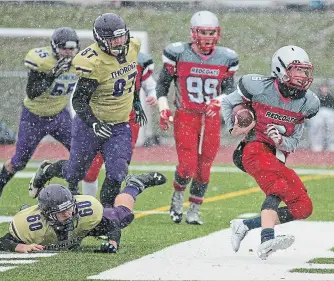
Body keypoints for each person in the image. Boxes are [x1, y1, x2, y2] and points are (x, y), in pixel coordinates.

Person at [28, 13, 147, 207]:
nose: (119, 42)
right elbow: (78, 101)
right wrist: (94, 123)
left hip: (119, 125)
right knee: (75, 172)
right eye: (113, 39)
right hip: (89, 125)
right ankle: (48, 171)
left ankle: (106, 215)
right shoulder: (92, 62)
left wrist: (136, 102)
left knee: (118, 172)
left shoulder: (133, 46)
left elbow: (130, 79)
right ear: (101, 40)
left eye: (121, 36)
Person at [221, 45, 320, 260]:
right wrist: (234, 127)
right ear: (281, 69)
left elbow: (293, 143)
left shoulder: (308, 102)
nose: (303, 76)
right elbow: (228, 102)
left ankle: (245, 225)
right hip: (253, 149)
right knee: (278, 186)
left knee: (304, 207)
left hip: (278, 155)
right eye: (298, 70)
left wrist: (281, 140)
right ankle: (267, 239)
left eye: (305, 71)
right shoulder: (258, 87)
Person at [156, 10, 239, 225]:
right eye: (203, 32)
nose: (208, 37)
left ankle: (194, 209)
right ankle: (177, 197)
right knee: (187, 166)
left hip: (211, 118)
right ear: (193, 33)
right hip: (186, 115)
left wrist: (218, 101)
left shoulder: (226, 57)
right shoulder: (178, 54)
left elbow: (230, 89)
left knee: (204, 169)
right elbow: (162, 86)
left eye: (212, 32)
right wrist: (163, 107)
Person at [0, 27, 80, 212]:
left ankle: (73, 194)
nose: (68, 53)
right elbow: (32, 92)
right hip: (34, 117)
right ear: (54, 47)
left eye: (71, 48)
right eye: (64, 48)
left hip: (60, 114)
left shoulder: (80, 62)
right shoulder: (42, 61)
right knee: (19, 161)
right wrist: (52, 74)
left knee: (79, 154)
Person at [0, 172, 167, 253]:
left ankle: (134, 185)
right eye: (62, 212)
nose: (69, 214)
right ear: (48, 214)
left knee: (122, 216)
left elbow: (112, 225)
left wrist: (113, 243)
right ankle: (26, 207)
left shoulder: (82, 212)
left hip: (80, 230)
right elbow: (0, 243)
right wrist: (21, 246)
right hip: (49, 228)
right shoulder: (31, 225)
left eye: (70, 208)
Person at [80, 52, 158, 197]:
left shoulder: (138, 60)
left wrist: (152, 95)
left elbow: (150, 85)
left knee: (118, 168)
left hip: (128, 120)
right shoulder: (97, 61)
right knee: (90, 169)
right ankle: (88, 206)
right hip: (102, 118)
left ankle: (108, 208)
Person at [307, 83, 334, 152]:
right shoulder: (316, 97)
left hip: (330, 113)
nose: (324, 89)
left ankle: (332, 144)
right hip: (318, 114)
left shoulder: (331, 97)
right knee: (318, 124)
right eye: (323, 88)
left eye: (325, 88)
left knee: (332, 124)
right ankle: (317, 144)